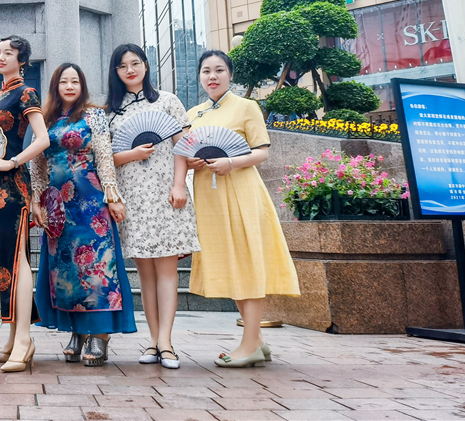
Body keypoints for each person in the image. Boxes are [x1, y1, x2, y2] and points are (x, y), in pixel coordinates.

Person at [181, 50, 300, 367]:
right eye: (206, 71)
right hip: (209, 197)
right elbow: (186, 155)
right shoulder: (194, 114)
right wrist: (193, 162)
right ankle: (256, 342)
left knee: (246, 261)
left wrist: (231, 162)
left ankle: (249, 344)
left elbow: (262, 151)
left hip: (241, 191)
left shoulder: (247, 107)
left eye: (219, 70)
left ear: (230, 75)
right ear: (200, 76)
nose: (212, 76)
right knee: (230, 263)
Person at [30, 63, 136, 367]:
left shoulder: (94, 116)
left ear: (82, 86)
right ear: (55, 86)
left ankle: (99, 335)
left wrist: (112, 196)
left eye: (75, 81)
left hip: (91, 204)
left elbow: (104, 157)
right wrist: (37, 200)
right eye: (63, 81)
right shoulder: (45, 120)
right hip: (58, 207)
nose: (69, 86)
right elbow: (38, 164)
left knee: (97, 268)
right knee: (66, 270)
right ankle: (76, 330)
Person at [106, 44, 199, 369]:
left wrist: (179, 184)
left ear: (146, 65)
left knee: (167, 269)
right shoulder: (111, 112)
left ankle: (167, 343)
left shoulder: (168, 101)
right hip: (131, 197)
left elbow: (184, 146)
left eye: (135, 63)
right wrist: (132, 154)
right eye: (123, 66)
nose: (130, 70)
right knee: (144, 272)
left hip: (165, 194)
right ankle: (153, 338)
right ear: (115, 72)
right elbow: (104, 160)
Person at [0, 35, 50, 373]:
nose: (1, 57)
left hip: (14, 186)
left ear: (22, 60)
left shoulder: (26, 92)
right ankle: (11, 339)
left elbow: (42, 139)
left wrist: (13, 161)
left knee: (17, 259)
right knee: (3, 262)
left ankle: (24, 340)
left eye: (8, 52)